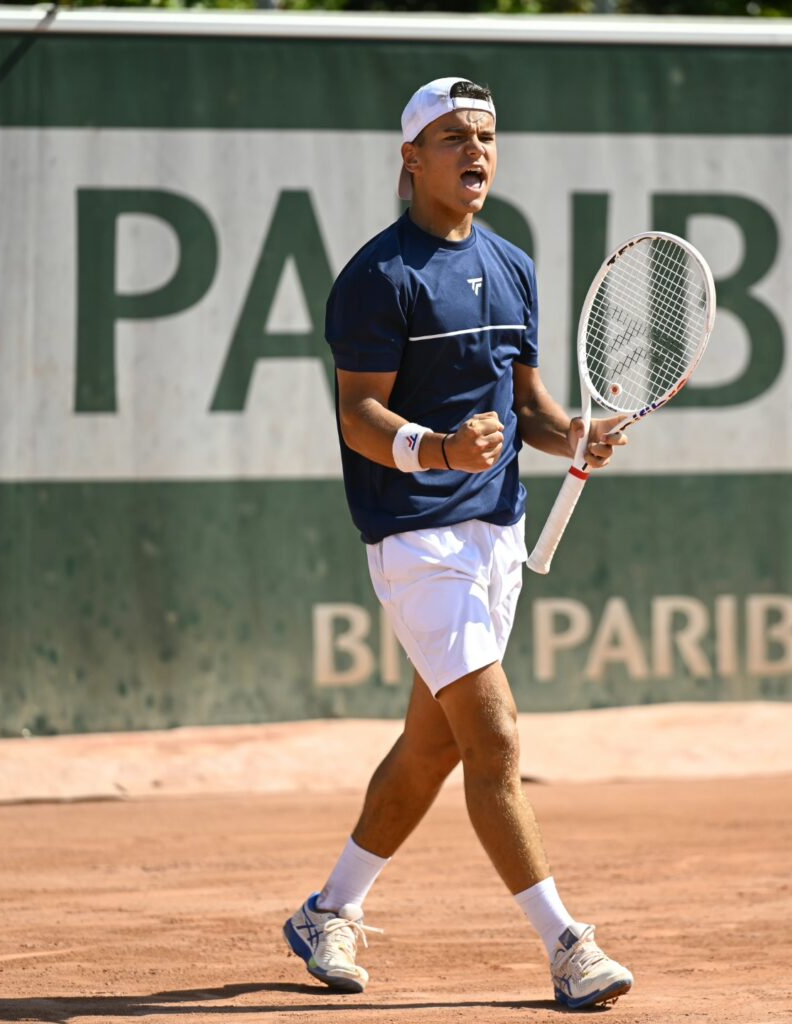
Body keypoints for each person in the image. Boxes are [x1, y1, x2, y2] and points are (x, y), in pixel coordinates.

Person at [283, 76, 633, 1011]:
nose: (475, 150)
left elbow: (529, 408)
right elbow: (358, 414)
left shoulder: (512, 265)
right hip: (415, 541)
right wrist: (435, 448)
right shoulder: (378, 277)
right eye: (452, 137)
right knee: (496, 737)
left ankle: (329, 910)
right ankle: (567, 946)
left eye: (485, 135)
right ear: (412, 159)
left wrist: (574, 437)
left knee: (431, 747)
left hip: (496, 535)